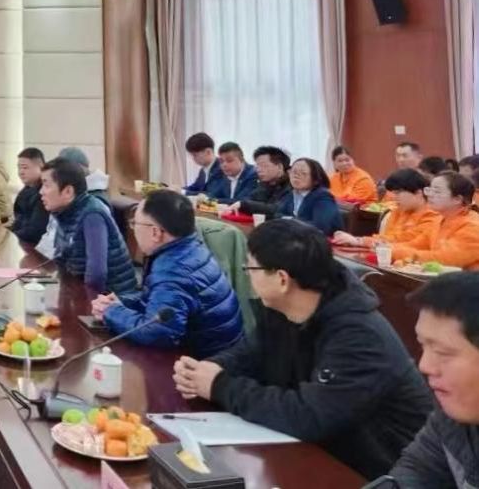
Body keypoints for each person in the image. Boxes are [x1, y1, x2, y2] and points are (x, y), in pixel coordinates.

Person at [173, 219, 435, 480]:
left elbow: (310, 417)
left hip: (372, 472)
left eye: (250, 268)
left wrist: (219, 385)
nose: (247, 275)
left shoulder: (359, 336)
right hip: (317, 454)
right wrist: (210, 369)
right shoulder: (282, 307)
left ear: (282, 279)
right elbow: (251, 353)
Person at [91, 190, 242, 357]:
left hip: (208, 361)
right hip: (224, 350)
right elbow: (161, 300)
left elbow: (157, 332)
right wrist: (123, 302)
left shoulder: (174, 271)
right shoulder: (189, 247)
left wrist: (110, 312)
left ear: (156, 232)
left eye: (134, 223)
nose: (133, 228)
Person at [388, 272, 479, 487]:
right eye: (423, 345)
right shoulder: (451, 415)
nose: (424, 366)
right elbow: (417, 470)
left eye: (443, 352)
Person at [36, 159, 137, 296]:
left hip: (115, 297)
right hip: (84, 290)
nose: (41, 192)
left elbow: (96, 274)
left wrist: (85, 306)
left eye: (46, 185)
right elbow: (62, 260)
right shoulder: (64, 212)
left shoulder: (92, 214)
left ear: (68, 191)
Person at [332, 169, 441, 250]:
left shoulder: (432, 216)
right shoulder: (398, 211)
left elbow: (404, 240)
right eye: (393, 193)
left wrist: (359, 241)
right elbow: (387, 238)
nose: (394, 197)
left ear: (418, 193)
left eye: (398, 193)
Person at [390, 172, 479, 269]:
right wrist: (386, 249)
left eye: (437, 192)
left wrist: (395, 252)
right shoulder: (439, 220)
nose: (430, 195)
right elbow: (416, 244)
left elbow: (444, 259)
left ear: (457, 199)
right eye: (430, 190)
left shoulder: (473, 226)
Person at [277, 158, 343, 236]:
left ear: (316, 180)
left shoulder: (323, 196)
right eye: (294, 172)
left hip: (321, 240)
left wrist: (290, 220)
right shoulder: (291, 193)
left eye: (303, 173)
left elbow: (320, 227)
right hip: (296, 237)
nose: (296, 176)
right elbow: (277, 215)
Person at [231, 146, 291, 217]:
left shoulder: (292, 185)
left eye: (263, 165)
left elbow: (277, 209)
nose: (258, 170)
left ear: (280, 167)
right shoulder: (264, 184)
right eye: (257, 166)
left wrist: (244, 205)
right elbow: (249, 199)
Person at [10, 147, 49, 245]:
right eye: (19, 168)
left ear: (41, 167)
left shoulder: (44, 194)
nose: (21, 172)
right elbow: (18, 221)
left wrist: (8, 237)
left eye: (25, 168)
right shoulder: (26, 190)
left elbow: (34, 231)